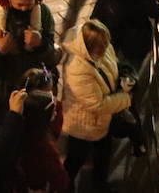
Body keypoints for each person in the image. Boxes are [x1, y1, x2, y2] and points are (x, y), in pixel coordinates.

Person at [60, 19, 137, 191]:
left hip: (101, 121)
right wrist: (126, 98)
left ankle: (99, 184)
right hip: (83, 126)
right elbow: (98, 104)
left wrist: (124, 76)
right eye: (100, 46)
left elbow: (113, 66)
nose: (105, 48)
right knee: (75, 160)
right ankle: (65, 186)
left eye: (106, 43)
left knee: (103, 154)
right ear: (87, 47)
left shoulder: (103, 48)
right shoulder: (77, 69)